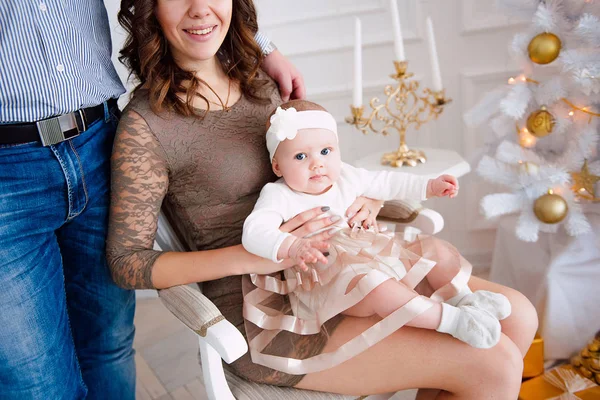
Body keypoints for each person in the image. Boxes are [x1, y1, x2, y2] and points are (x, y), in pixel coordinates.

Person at [107, 0, 539, 398]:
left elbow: (322, 167)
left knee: (518, 315)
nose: (200, 9)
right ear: (151, 6)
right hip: (270, 315)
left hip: (347, 265)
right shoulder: (147, 125)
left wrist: (366, 198)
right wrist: (254, 257)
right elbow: (127, 262)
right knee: (494, 362)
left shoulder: (262, 83)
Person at [0, 1, 303, 399]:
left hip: (98, 138)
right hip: (8, 166)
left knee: (107, 346)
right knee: (35, 384)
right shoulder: (148, 126)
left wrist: (263, 46)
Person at [240, 100, 513, 375]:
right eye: (301, 157)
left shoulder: (347, 176)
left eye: (325, 151)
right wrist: (293, 245)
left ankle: (465, 300)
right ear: (277, 166)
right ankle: (453, 321)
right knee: (376, 286)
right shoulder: (279, 195)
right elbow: (254, 231)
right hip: (333, 284)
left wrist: (429, 186)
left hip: (375, 254)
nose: (317, 164)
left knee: (434, 249)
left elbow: (387, 181)